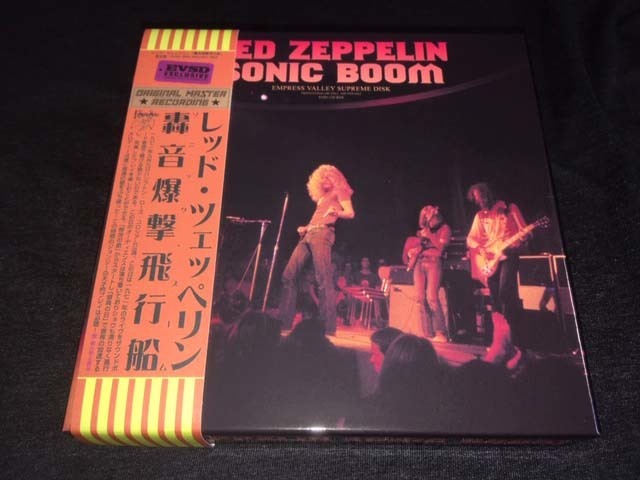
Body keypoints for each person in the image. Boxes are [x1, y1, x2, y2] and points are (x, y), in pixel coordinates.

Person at [278, 164, 355, 336]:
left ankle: (328, 327)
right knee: (288, 275)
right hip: (309, 234)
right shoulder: (321, 198)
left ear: (335, 178)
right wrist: (305, 227)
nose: (325, 180)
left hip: (323, 234)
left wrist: (337, 212)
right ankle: (284, 322)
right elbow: (318, 217)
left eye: (329, 176)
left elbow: (350, 213)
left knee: (323, 278)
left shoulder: (340, 191)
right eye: (322, 177)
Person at [466, 182, 530, 365]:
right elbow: (471, 238)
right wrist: (481, 249)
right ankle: (501, 342)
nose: (480, 202)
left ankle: (516, 342)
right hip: (491, 259)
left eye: (482, 197)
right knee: (495, 299)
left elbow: (525, 232)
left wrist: (522, 238)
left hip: (509, 255)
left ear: (488, 194)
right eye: (477, 200)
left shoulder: (510, 208)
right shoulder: (480, 216)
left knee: (506, 294)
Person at [402, 205, 452, 342]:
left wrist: (429, 235)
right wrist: (413, 251)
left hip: (434, 262)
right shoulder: (422, 232)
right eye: (424, 216)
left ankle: (440, 332)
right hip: (419, 263)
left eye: (428, 214)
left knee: (432, 297)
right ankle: (426, 333)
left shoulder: (444, 229)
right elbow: (418, 246)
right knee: (420, 297)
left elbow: (441, 248)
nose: (426, 218)